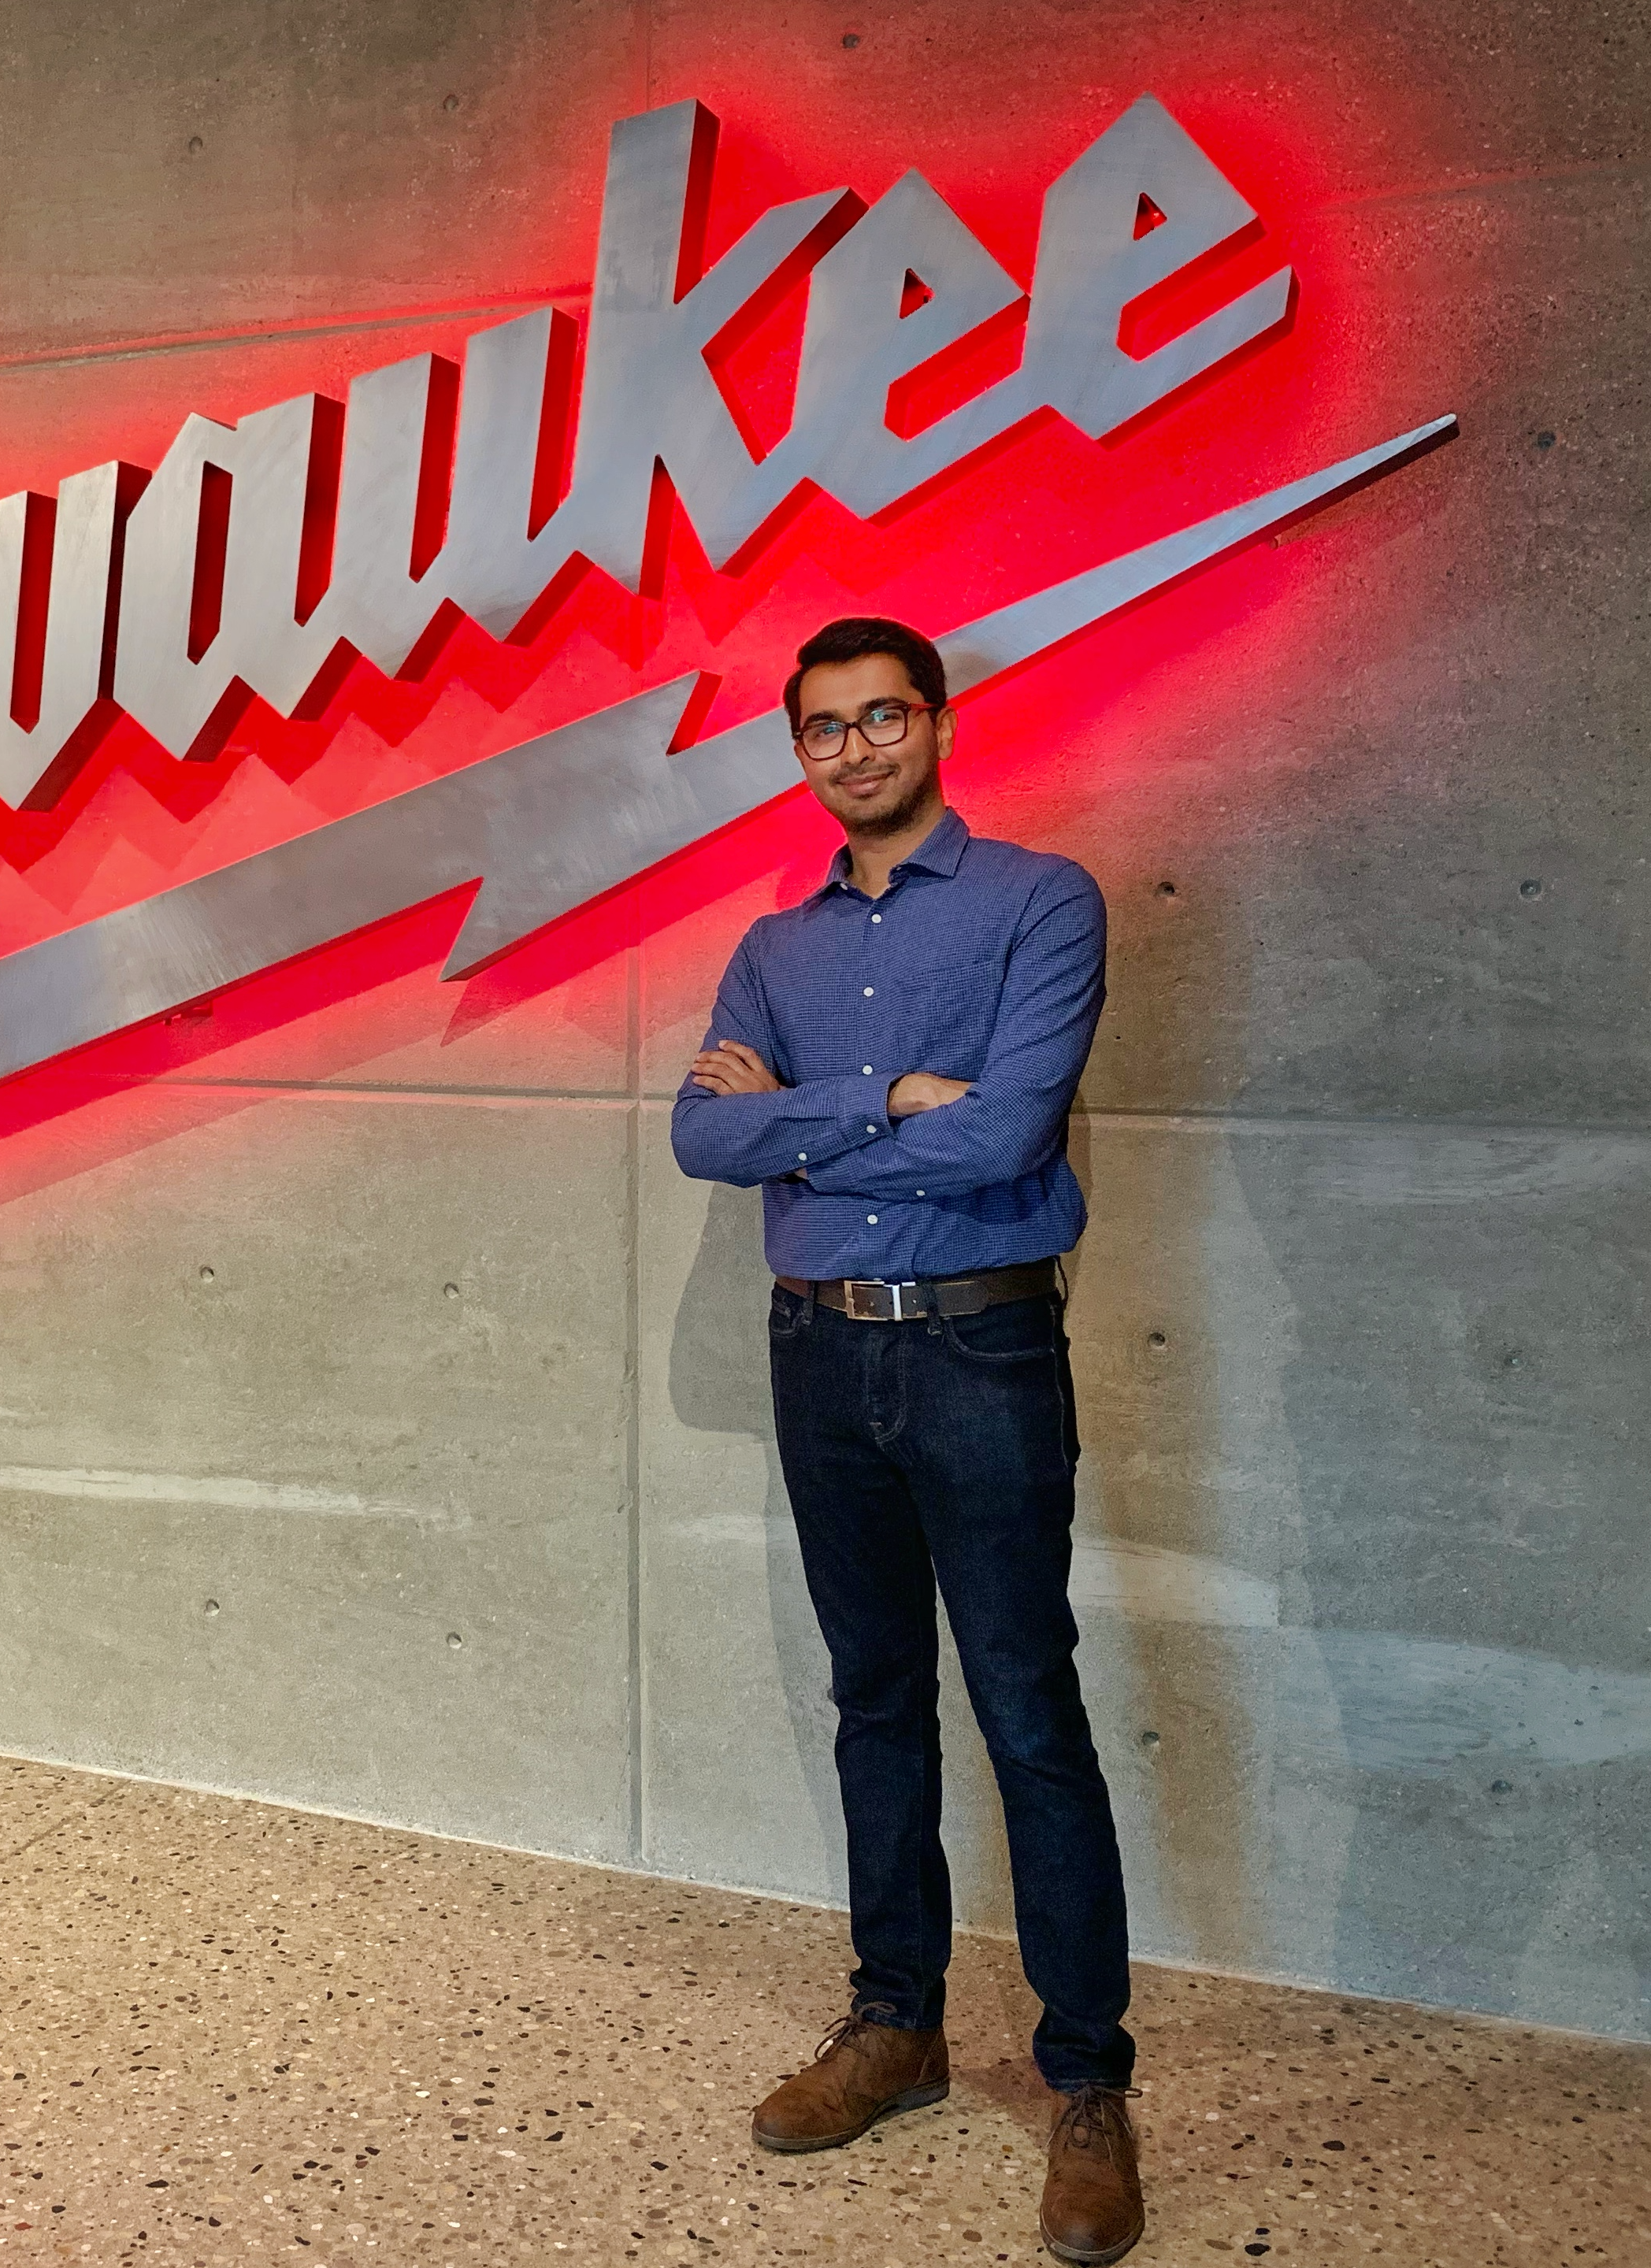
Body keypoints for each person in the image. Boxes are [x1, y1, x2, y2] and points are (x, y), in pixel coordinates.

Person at [667, 615, 1140, 2265]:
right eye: (822, 729)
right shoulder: (773, 949)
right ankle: (899, 2024)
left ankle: (1087, 2080)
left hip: (983, 1349)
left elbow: (1011, 1130)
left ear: (935, 726)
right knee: (877, 1696)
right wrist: (888, 1108)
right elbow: (700, 1135)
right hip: (821, 1356)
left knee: (1027, 1706)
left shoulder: (1040, 901)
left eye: (882, 719)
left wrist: (805, 1137)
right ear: (798, 752)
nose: (854, 749)